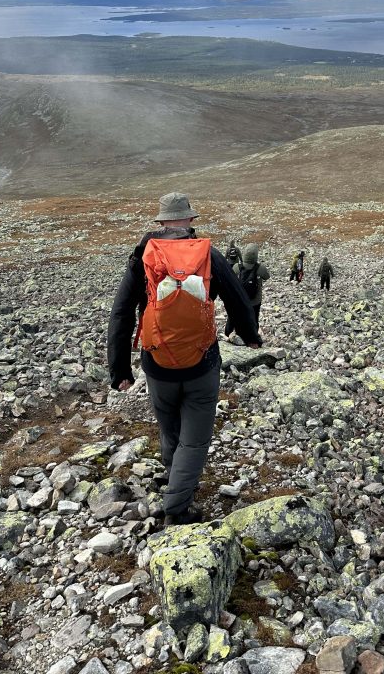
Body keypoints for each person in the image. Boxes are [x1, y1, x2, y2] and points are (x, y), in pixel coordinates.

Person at [107, 192, 261, 526]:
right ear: (190, 220)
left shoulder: (143, 257)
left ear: (161, 222)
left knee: (168, 422)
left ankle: (172, 475)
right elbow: (238, 300)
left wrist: (120, 370)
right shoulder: (209, 255)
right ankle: (176, 509)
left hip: (156, 363)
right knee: (195, 438)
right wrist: (250, 337)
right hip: (201, 363)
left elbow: (121, 314)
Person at [225, 243, 270, 336]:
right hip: (255, 300)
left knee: (233, 316)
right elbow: (267, 276)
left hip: (239, 299)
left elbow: (231, 279)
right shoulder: (260, 268)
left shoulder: (237, 266)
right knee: (254, 318)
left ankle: (228, 333)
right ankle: (253, 338)